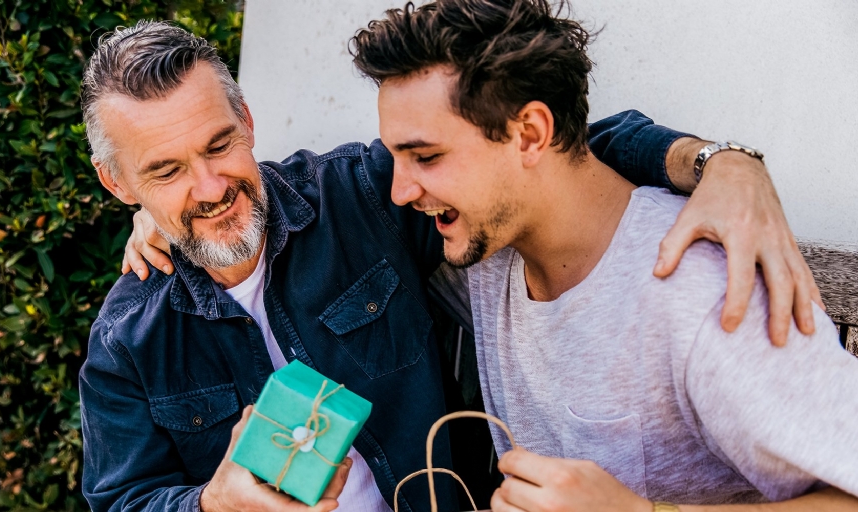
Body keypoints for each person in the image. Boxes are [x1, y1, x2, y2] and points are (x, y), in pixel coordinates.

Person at [89, 20, 818, 512]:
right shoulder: (128, 339)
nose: (210, 188)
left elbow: (544, 151)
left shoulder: (361, 199)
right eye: (166, 171)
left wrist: (720, 164)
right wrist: (209, 504)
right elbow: (122, 499)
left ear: (247, 124)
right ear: (120, 185)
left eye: (218, 146)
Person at [346, 0, 858, 510]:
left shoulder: (704, 292)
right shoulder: (488, 252)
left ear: (529, 135)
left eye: (427, 157)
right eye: (395, 157)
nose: (400, 191)